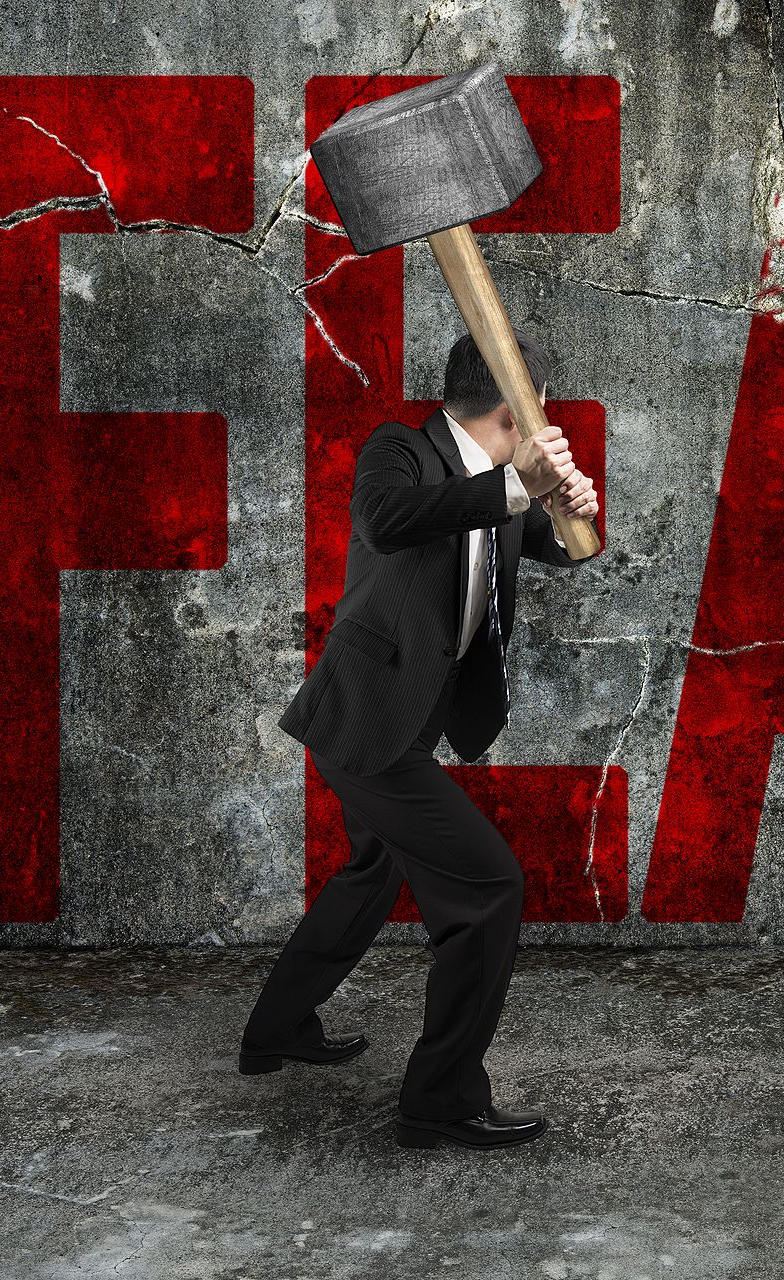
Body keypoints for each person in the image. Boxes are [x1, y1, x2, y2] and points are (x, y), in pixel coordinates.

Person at [237, 330, 599, 1150]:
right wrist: (518, 485)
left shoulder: (503, 486)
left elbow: (548, 545)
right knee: (490, 889)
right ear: (518, 409)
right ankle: (439, 1100)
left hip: (409, 719)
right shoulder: (401, 451)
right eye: (541, 407)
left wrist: (569, 515)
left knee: (372, 872)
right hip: (366, 722)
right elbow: (385, 520)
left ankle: (275, 1030)